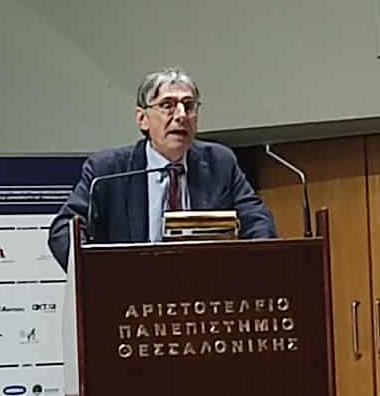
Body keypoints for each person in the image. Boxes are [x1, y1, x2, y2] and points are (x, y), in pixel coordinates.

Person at [46, 68, 277, 268]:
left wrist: (251, 267)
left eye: (189, 106)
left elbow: (257, 221)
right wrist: (99, 275)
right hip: (130, 290)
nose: (181, 115)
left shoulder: (219, 163)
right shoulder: (108, 170)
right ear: (142, 119)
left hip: (205, 288)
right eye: (168, 106)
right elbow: (63, 231)